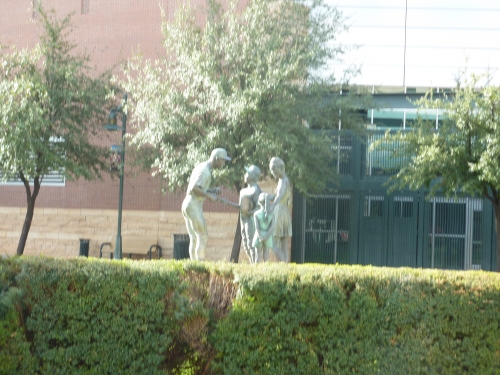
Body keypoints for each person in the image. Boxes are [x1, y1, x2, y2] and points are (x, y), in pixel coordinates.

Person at [181, 148, 231, 261]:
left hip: (188, 204)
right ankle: (200, 264)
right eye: (223, 161)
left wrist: (211, 190)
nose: (223, 163)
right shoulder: (205, 172)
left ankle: (194, 264)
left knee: (194, 237)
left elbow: (197, 187)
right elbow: (194, 188)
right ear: (216, 159)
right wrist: (209, 196)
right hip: (194, 205)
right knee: (202, 236)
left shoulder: (202, 166)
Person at [220, 165, 262, 263]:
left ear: (252, 176)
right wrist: (228, 203)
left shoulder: (256, 191)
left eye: (248, 173)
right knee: (246, 245)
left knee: (252, 245)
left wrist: (249, 213)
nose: (245, 175)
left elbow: (260, 208)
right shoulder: (244, 190)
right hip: (243, 220)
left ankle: (255, 266)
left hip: (252, 221)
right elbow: (241, 207)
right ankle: (252, 264)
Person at [269, 157, 292, 262]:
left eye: (274, 170)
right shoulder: (283, 180)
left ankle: (283, 263)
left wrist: (272, 206)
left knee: (272, 242)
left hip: (279, 211)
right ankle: (285, 267)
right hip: (284, 211)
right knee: (283, 243)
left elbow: (279, 196)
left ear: (280, 168)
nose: (273, 173)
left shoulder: (283, 181)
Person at [252, 192, 275, 262]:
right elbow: (272, 226)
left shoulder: (256, 214)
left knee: (257, 255)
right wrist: (267, 236)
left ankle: (255, 271)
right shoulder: (272, 214)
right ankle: (266, 271)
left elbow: (257, 227)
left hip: (259, 236)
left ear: (259, 202)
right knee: (266, 255)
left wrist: (260, 236)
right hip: (268, 236)